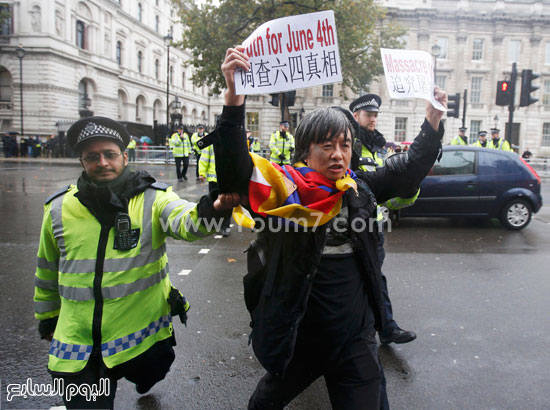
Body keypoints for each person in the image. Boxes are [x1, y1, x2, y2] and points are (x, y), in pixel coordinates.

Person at [215, 46, 447, 410]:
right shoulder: (283, 189)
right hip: (300, 337)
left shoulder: (362, 187)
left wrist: (432, 121)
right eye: (327, 146)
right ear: (306, 152)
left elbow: (410, 168)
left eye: (345, 145)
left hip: (355, 338)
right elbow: (233, 170)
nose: (339, 154)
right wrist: (233, 98)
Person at [33, 116, 238, 410]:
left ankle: (145, 376)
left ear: (125, 157)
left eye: (110, 154)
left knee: (155, 370)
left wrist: (216, 207)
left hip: (140, 337)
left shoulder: (154, 199)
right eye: (93, 157)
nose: (102, 162)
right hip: (78, 345)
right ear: (81, 161)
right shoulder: (57, 208)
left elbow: (189, 223)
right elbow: (46, 271)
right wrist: (48, 319)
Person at [349, 93, 417, 346]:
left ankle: (386, 327)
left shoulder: (379, 149)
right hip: (347, 226)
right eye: (369, 115)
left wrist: (409, 189)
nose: (374, 119)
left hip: (373, 226)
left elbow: (387, 198)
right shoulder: (347, 145)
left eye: (376, 114)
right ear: (355, 116)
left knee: (375, 277)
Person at [198, 143, 232, 237]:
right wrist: (202, 172)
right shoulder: (212, 142)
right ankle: (215, 224)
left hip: (227, 179)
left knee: (228, 202)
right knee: (214, 204)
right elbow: (204, 158)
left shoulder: (232, 139)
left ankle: (225, 226)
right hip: (214, 179)